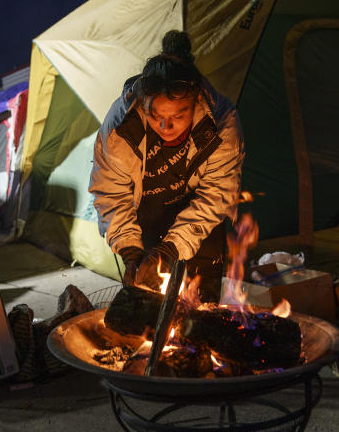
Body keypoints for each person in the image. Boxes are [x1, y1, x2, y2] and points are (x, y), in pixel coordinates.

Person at [89, 30, 245, 303]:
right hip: (147, 221)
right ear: (143, 102)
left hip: (201, 223)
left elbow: (217, 194)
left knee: (201, 308)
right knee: (149, 305)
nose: (165, 127)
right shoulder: (122, 127)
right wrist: (132, 255)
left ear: (195, 100)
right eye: (155, 114)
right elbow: (111, 194)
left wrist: (171, 250)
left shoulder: (221, 123)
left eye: (179, 115)